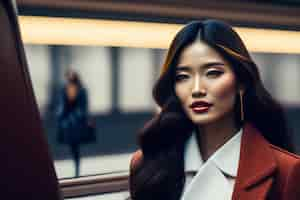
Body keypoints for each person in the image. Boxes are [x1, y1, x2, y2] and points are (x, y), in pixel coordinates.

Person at [129, 20, 300, 200]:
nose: (196, 89)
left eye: (213, 73)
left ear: (241, 82)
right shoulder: (147, 164)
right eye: (182, 77)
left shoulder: (287, 171)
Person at [56, 70, 89, 177]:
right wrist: (61, 117)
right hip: (67, 123)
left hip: (75, 123)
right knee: (72, 145)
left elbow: (83, 108)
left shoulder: (81, 90)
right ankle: (75, 167)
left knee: (75, 146)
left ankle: (77, 168)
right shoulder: (65, 89)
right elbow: (62, 106)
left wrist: (74, 117)